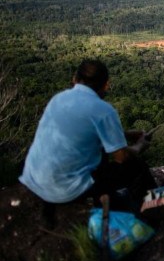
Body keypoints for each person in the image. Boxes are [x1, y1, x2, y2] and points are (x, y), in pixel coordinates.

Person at [19, 59, 156, 226]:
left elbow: (84, 131)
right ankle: (151, 211)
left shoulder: (58, 99)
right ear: (106, 85)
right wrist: (140, 145)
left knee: (98, 154)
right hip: (66, 191)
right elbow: (121, 157)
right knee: (136, 165)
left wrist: (124, 134)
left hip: (35, 180)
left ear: (75, 78)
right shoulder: (104, 110)